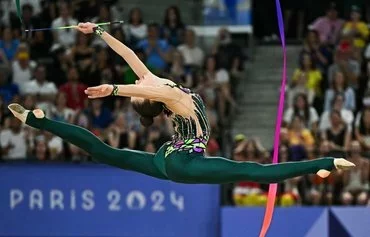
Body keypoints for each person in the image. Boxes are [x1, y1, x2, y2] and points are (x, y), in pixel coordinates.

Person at [8, 22, 355, 184]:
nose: (139, 82)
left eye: (138, 86)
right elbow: (146, 87)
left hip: (168, 160)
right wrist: (113, 90)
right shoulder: (170, 97)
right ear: (151, 102)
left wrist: (98, 32)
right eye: (139, 90)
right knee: (254, 171)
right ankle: (323, 163)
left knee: (106, 154)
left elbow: (127, 54)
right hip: (182, 163)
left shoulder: (157, 86)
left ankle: (37, 120)